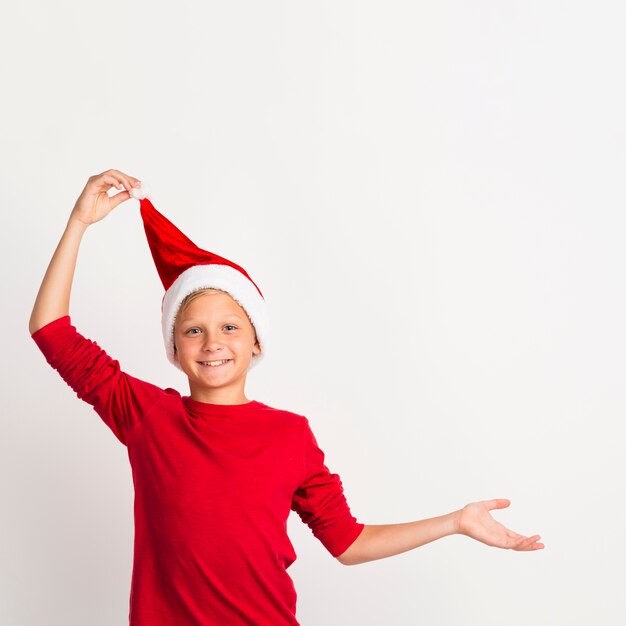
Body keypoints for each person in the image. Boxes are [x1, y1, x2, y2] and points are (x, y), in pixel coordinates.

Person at [29, 169, 544, 626]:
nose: (212, 343)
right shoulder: (147, 416)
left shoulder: (289, 435)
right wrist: (78, 223)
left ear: (255, 342)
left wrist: (455, 522)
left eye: (230, 327)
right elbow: (52, 331)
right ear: (173, 346)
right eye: (193, 331)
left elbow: (348, 542)